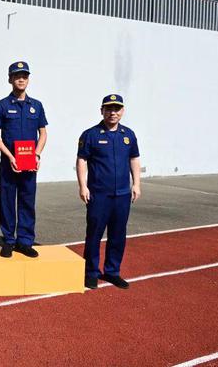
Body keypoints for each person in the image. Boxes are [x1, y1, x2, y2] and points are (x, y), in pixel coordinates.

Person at [76, 94, 141, 290]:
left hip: (122, 195)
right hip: (99, 195)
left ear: (122, 111)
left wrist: (136, 184)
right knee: (94, 234)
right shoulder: (91, 135)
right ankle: (91, 273)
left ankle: (112, 271)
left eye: (117, 109)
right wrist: (82, 186)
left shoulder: (128, 135)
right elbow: (82, 160)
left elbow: (134, 159)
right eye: (109, 109)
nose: (113, 112)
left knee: (118, 235)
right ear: (102, 110)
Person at [0, 61, 48, 258]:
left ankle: (25, 241)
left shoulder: (36, 106)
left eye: (24, 76)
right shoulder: (2, 105)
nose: (21, 79)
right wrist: (10, 156)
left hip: (30, 164)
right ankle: (8, 241)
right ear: (10, 79)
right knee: (7, 201)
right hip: (9, 164)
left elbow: (43, 133)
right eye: (16, 76)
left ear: (28, 79)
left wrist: (37, 154)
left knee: (27, 201)